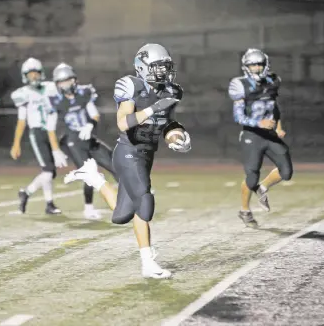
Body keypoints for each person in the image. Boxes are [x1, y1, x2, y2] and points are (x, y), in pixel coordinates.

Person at [64, 44, 191, 279]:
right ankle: (148, 263)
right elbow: (123, 123)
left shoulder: (171, 91)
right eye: (157, 68)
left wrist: (176, 135)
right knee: (144, 200)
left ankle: (95, 178)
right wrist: (152, 109)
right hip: (128, 151)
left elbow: (168, 122)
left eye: (165, 67)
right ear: (142, 67)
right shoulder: (132, 85)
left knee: (121, 215)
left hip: (147, 154)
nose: (163, 72)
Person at [228, 48, 292, 228]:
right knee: (251, 176)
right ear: (246, 66)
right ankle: (245, 211)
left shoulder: (273, 81)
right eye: (252, 65)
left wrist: (278, 126)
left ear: (265, 65)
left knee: (286, 171)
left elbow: (274, 106)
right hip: (251, 134)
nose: (256, 68)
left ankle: (263, 188)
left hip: (270, 135)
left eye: (259, 64)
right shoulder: (239, 85)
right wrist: (259, 123)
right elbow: (238, 116)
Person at [51, 63, 118, 220]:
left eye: (68, 81)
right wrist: (55, 150)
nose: (66, 85)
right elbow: (50, 129)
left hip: (88, 137)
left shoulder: (84, 93)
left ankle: (131, 197)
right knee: (90, 171)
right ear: (57, 85)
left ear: (74, 80)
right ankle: (88, 208)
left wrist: (90, 125)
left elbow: (94, 114)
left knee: (115, 164)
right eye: (62, 82)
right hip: (71, 140)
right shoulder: (56, 102)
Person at [10, 57, 68, 215]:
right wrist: (16, 143)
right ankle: (43, 200)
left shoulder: (50, 87)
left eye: (36, 73)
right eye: (30, 74)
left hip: (51, 131)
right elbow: (21, 121)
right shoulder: (23, 94)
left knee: (50, 172)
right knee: (48, 171)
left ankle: (31, 195)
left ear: (41, 73)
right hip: (37, 133)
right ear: (25, 76)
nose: (34, 76)